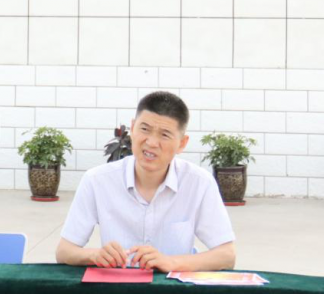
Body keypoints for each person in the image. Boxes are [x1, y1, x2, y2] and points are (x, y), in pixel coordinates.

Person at [56, 91, 236, 271]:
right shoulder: (96, 180)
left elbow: (227, 255)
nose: (151, 142)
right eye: (145, 129)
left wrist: (170, 262)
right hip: (117, 283)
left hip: (170, 283)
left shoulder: (199, 183)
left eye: (164, 135)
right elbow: (64, 251)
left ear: (182, 143)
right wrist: (95, 255)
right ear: (133, 128)